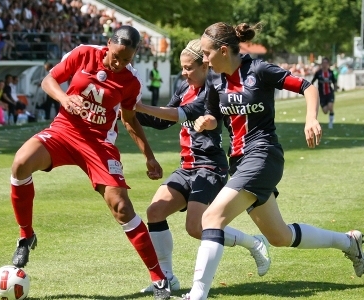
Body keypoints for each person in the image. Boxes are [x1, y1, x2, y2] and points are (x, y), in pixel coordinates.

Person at [183, 22, 364, 300]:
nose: (203, 60)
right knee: (279, 237)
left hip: (264, 154)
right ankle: (349, 242)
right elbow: (212, 118)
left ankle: (197, 295)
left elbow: (308, 87)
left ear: (222, 50)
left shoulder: (259, 70)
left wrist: (311, 118)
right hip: (241, 162)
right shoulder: (213, 81)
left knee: (211, 218)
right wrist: (206, 122)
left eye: (206, 54)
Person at [9, 25, 171, 300]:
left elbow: (129, 119)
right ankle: (26, 236)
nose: (119, 64)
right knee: (21, 163)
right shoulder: (84, 54)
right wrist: (64, 98)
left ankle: (159, 278)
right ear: (108, 43)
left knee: (122, 207)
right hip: (63, 131)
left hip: (99, 145)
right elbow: (49, 79)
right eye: (116, 56)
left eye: (126, 60)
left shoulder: (131, 82)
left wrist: (149, 157)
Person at [135, 39, 271, 294]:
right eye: (182, 68)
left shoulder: (213, 92)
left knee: (196, 228)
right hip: (186, 167)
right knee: (155, 211)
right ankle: (167, 278)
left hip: (210, 168)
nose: (184, 73)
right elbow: (162, 121)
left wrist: (139, 105)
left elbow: (179, 114)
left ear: (204, 66)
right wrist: (129, 109)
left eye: (188, 68)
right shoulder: (184, 87)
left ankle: (254, 243)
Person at [311, 57, 338, 129]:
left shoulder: (330, 72)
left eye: (326, 63)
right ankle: (329, 116)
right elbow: (312, 81)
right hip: (321, 94)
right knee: (325, 111)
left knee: (330, 107)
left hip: (329, 93)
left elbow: (334, 81)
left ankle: (331, 123)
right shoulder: (318, 73)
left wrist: (335, 87)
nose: (324, 64)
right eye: (323, 63)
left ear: (328, 64)